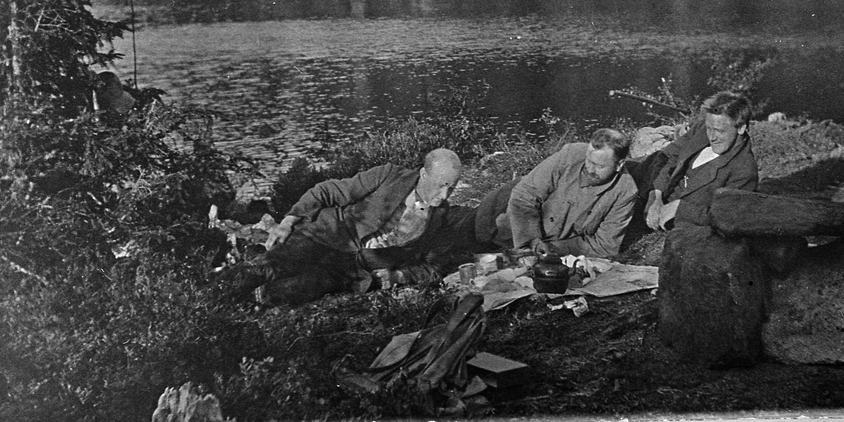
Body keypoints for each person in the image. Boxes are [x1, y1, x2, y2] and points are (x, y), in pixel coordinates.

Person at [219, 148, 474, 305]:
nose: (445, 194)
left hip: (353, 270)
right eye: (440, 184)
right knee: (268, 267)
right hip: (326, 236)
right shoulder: (388, 175)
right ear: (423, 174)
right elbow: (328, 191)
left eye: (451, 186)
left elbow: (433, 267)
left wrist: (398, 276)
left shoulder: (441, 219)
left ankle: (236, 307)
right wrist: (288, 221)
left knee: (293, 288)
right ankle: (204, 296)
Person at [473, 128, 638, 258]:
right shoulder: (569, 155)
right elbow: (524, 196)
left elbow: (605, 245)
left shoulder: (625, 192)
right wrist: (531, 240)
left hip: (554, 243)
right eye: (589, 160)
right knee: (470, 231)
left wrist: (555, 248)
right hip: (506, 215)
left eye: (599, 166)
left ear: (619, 164)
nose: (590, 169)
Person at [643, 91, 757, 231]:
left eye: (719, 131)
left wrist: (680, 209)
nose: (712, 137)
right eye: (709, 128)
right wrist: (656, 196)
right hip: (648, 189)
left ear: (741, 128)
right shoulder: (703, 128)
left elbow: (728, 218)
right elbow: (668, 155)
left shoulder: (744, 171)